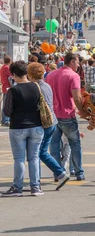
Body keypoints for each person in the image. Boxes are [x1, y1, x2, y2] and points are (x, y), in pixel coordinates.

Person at [1, 61, 45, 197]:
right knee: (34, 157)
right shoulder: (36, 87)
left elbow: (7, 112)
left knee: (19, 159)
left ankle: (17, 187)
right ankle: (35, 187)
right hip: (36, 127)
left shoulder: (13, 90)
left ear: (14, 75)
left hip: (18, 127)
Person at [46, 52, 90, 181]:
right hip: (67, 114)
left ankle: (57, 172)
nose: (78, 65)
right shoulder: (73, 76)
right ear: (71, 62)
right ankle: (78, 171)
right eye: (77, 62)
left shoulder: (50, 75)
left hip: (53, 114)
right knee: (75, 143)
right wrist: (82, 111)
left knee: (54, 145)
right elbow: (77, 97)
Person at [27, 62, 70, 190]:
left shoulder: (33, 87)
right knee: (42, 151)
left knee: (38, 153)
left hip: (43, 123)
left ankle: (57, 174)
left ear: (30, 74)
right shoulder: (46, 85)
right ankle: (49, 176)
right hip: (52, 121)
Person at [1, 55, 12, 126]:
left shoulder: (3, 67)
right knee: (6, 104)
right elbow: (12, 76)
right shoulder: (6, 68)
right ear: (10, 61)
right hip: (7, 87)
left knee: (6, 104)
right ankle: (5, 120)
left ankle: (5, 120)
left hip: (5, 87)